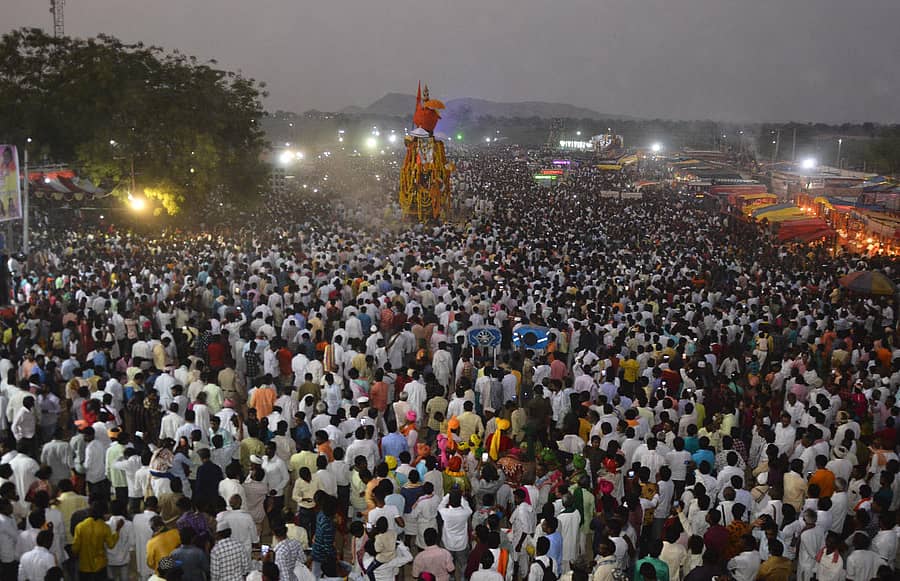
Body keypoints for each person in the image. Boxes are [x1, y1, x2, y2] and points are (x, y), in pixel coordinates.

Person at [71, 501, 123, 581]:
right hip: (100, 565)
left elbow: (75, 548)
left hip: (84, 566)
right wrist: (117, 531)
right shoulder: (104, 527)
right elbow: (111, 545)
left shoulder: (80, 527)